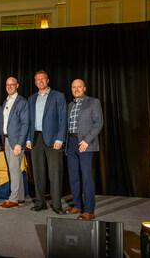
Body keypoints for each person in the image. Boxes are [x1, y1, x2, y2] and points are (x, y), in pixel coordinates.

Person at [26, 70, 67, 214]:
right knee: (38, 172)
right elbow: (29, 121)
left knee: (55, 173)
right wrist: (28, 138)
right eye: (38, 80)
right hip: (36, 138)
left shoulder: (58, 96)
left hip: (53, 139)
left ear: (47, 80)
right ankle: (40, 202)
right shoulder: (31, 99)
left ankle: (56, 205)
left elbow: (63, 119)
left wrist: (60, 139)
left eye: (43, 79)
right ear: (35, 82)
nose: (40, 82)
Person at [65, 79, 103, 220]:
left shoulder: (93, 102)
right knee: (73, 176)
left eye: (79, 87)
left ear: (84, 88)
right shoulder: (70, 105)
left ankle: (89, 210)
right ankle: (77, 205)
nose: (76, 89)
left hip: (85, 143)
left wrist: (87, 141)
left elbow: (98, 123)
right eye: (74, 87)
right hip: (71, 142)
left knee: (86, 177)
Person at [0, 77, 29, 209]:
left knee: (13, 170)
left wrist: (19, 143)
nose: (10, 87)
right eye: (7, 85)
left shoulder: (22, 102)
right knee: (15, 170)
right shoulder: (6, 101)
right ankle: (20, 198)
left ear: (17, 85)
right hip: (6, 139)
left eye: (12, 84)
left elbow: (25, 124)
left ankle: (14, 199)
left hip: (16, 141)